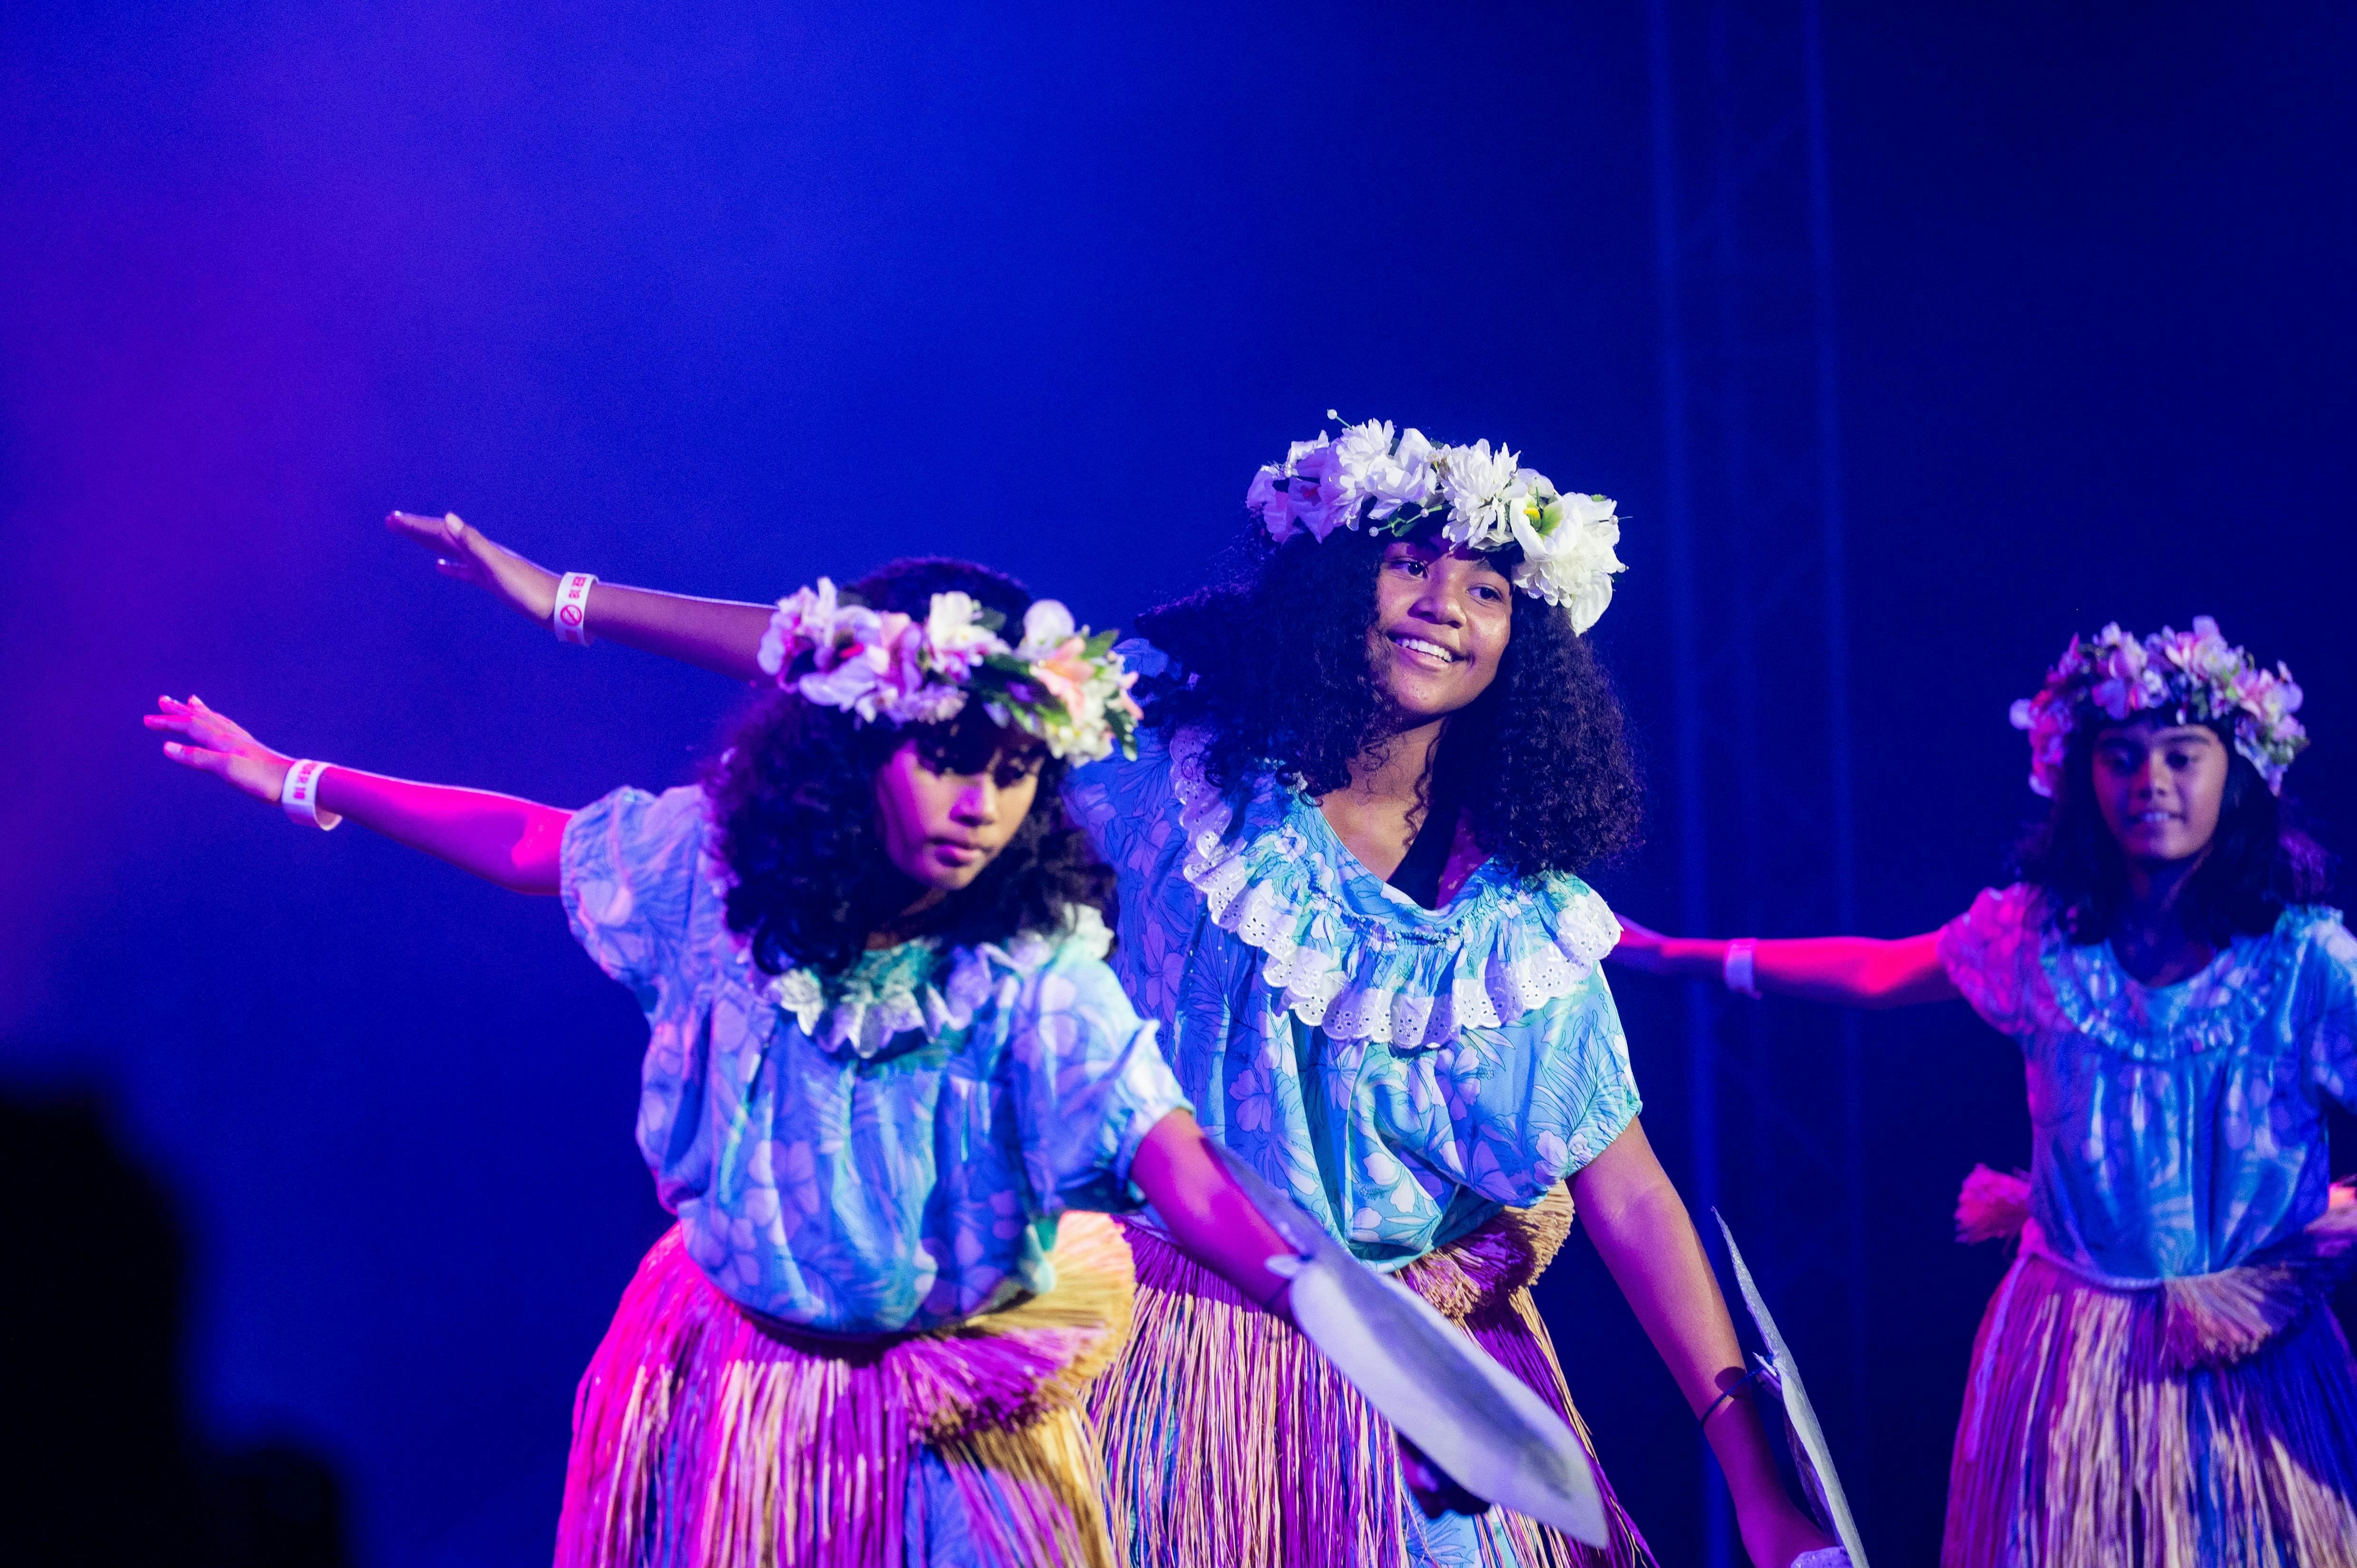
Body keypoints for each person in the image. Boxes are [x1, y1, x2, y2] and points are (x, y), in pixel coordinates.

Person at [380, 416, 1840, 1568]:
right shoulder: (1172, 756)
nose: (1442, 605)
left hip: (1409, 1400)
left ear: (1531, 643)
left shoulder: (1520, 926)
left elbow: (1633, 1194)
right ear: (1339, 578)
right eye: (1410, 563)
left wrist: (1757, 1471)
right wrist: (565, 600)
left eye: (1487, 585)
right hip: (1155, 1362)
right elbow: (890, 663)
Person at [147, 559, 1350, 1568]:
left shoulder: (1038, 977)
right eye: (943, 757)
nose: (979, 801)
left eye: (1013, 768)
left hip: (961, 1425)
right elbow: (530, 840)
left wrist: (1331, 1316)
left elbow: (1181, 1168)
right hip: (744, 1397)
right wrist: (301, 779)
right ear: (853, 745)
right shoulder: (714, 880)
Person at [1613, 617, 2357, 1567]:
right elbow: (1880, 973)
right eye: (2121, 756)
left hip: (2254, 1364)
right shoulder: (2042, 943)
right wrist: (1673, 955)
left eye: (2183, 755)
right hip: (2072, 1354)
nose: (2151, 780)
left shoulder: (2306, 966)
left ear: (2237, 775)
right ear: (2081, 776)